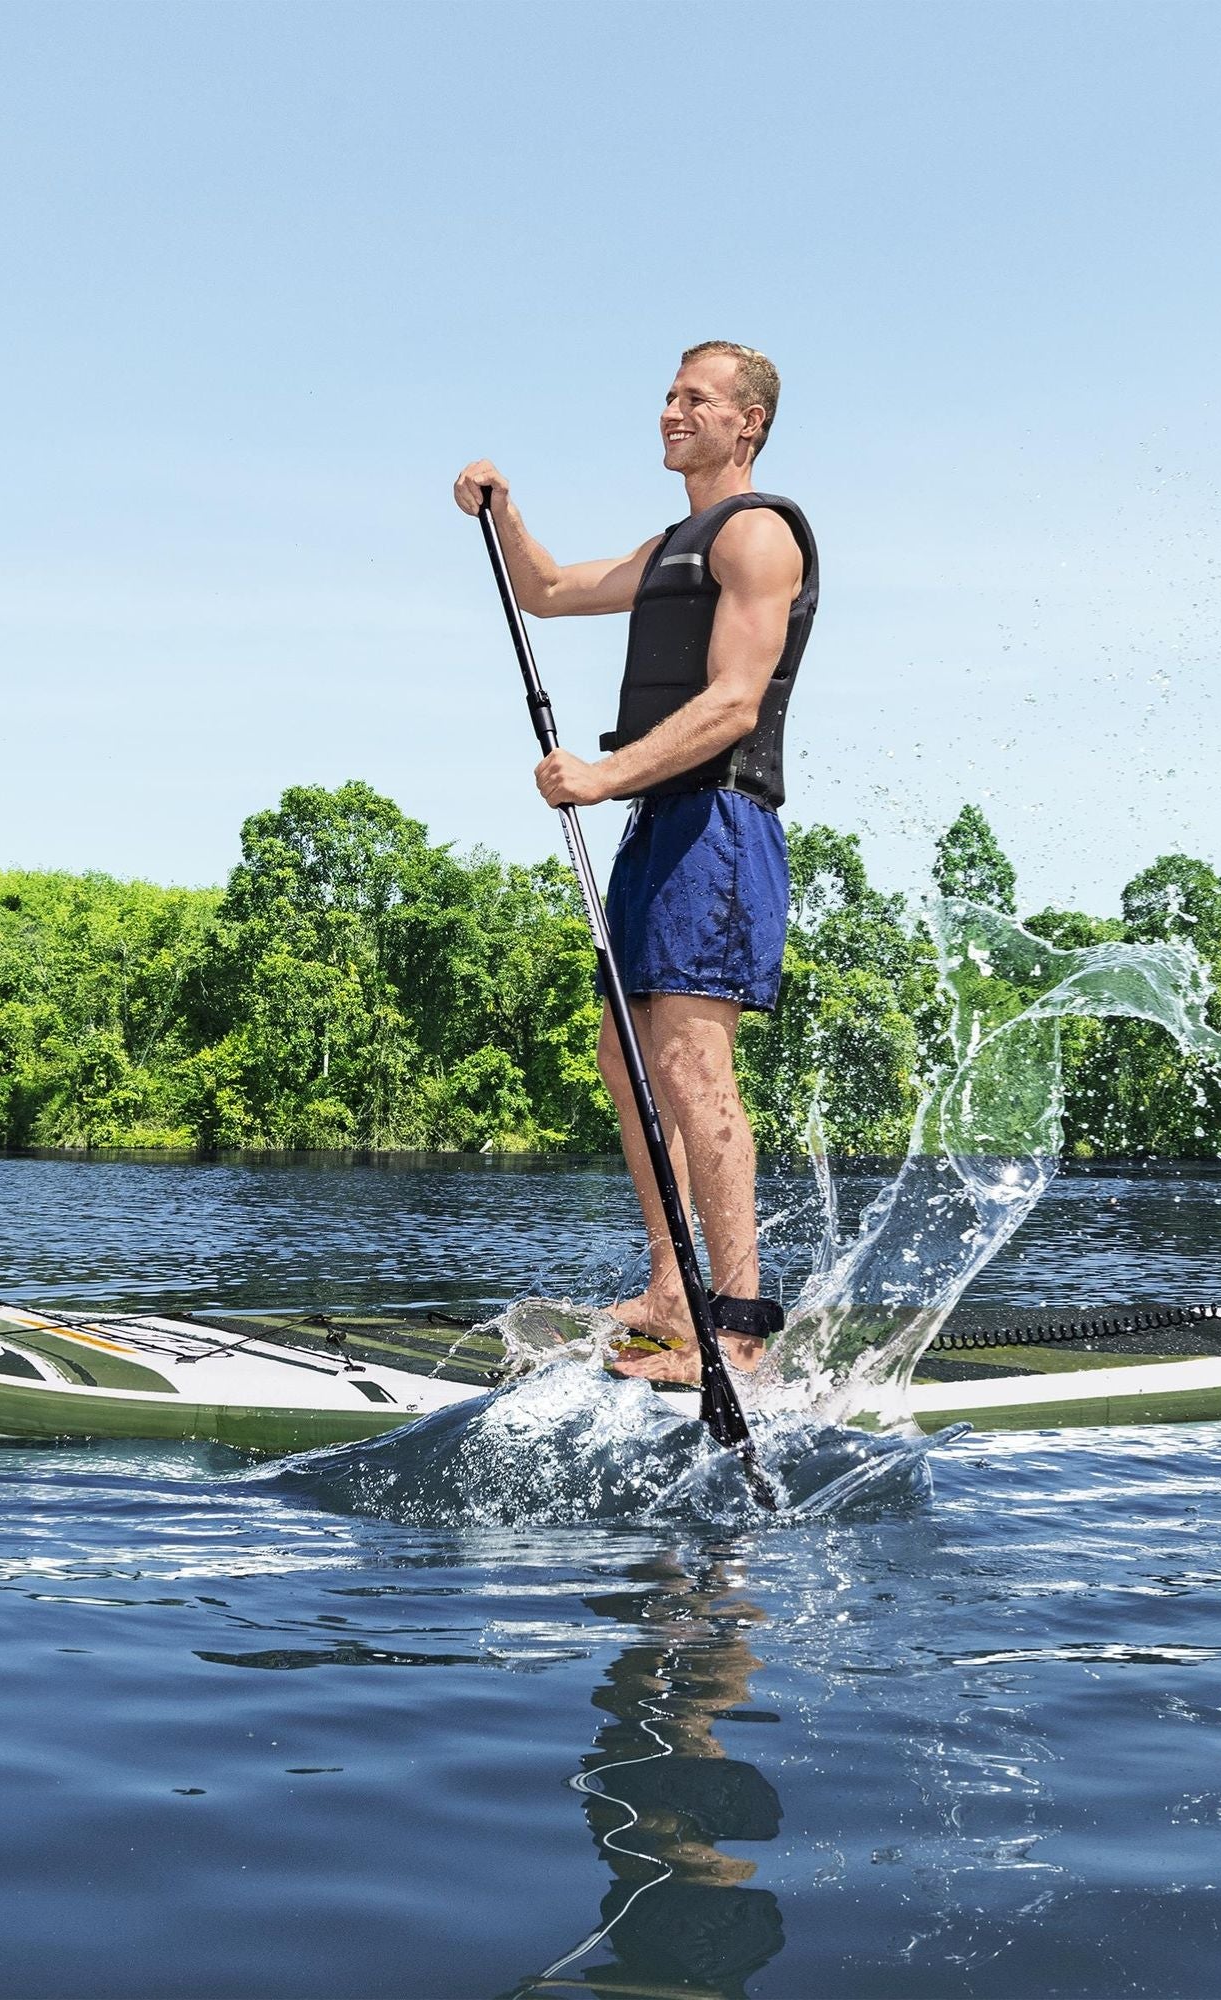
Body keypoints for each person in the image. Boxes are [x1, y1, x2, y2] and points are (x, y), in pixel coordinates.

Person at [453, 341, 818, 1384]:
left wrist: (602, 775)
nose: (669, 410)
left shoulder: (756, 536)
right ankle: (669, 1291)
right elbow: (549, 589)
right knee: (627, 1058)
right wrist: (501, 510)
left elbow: (733, 702)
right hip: (658, 821)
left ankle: (736, 1328)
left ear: (746, 421)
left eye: (693, 398)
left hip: (718, 822)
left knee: (693, 1068)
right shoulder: (674, 542)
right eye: (665, 394)